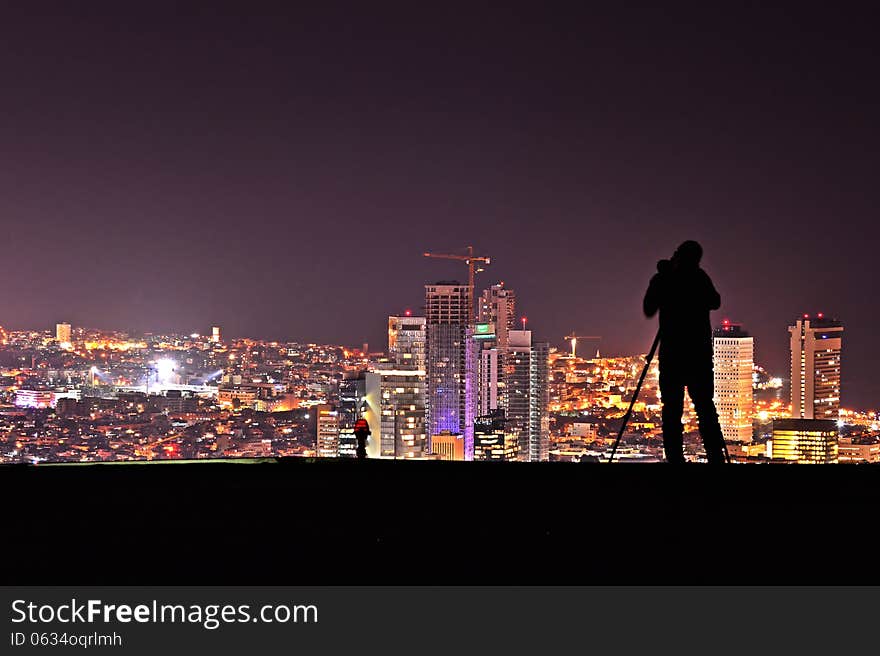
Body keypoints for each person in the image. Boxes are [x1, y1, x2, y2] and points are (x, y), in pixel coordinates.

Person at [643, 240, 727, 463]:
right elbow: (715, 301)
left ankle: (674, 459)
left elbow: (648, 308)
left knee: (672, 409)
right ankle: (715, 457)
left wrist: (662, 279)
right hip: (698, 352)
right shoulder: (699, 278)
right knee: (705, 407)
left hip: (673, 353)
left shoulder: (666, 279)